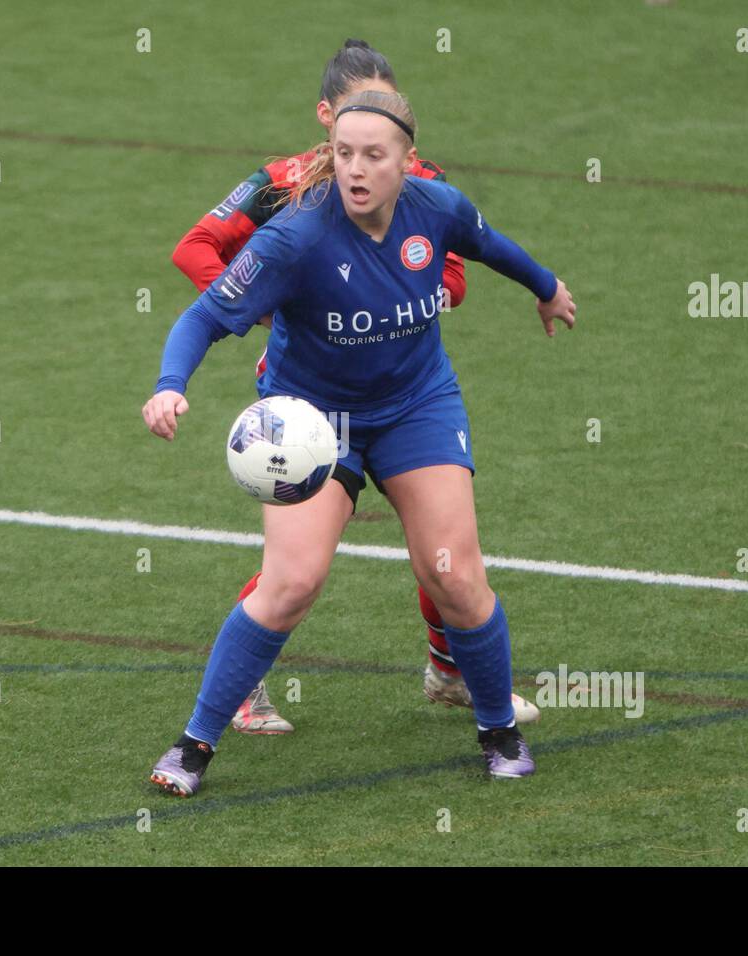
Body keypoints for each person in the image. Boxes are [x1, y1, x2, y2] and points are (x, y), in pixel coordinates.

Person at [142, 88, 576, 796]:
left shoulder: (436, 209)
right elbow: (203, 317)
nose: (355, 168)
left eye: (374, 154)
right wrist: (170, 383)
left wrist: (547, 286)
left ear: (408, 159)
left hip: (416, 408)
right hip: (312, 424)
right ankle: (194, 745)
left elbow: (489, 244)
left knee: (455, 576)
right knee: (290, 584)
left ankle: (498, 730)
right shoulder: (296, 237)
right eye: (345, 154)